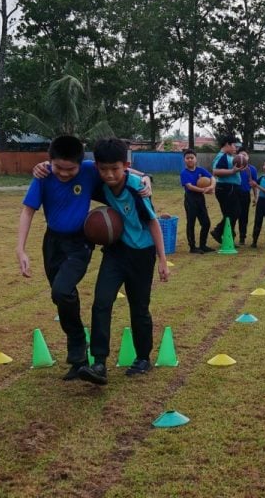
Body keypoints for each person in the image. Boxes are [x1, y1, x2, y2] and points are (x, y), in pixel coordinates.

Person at [77, 138, 170, 384]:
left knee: (138, 308)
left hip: (142, 254)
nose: (109, 175)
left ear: (125, 166)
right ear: (97, 166)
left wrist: (162, 259)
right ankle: (98, 363)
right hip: (115, 252)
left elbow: (152, 222)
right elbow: (70, 163)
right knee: (101, 302)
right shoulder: (99, 181)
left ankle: (142, 358)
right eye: (103, 169)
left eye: (115, 169)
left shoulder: (137, 187)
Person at [16, 135, 100, 382]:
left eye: (70, 169)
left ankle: (78, 349)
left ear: (80, 163)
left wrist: (145, 178)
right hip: (52, 243)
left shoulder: (88, 170)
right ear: (49, 160)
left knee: (62, 292)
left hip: (80, 243)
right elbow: (28, 210)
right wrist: (20, 249)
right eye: (58, 168)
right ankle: (79, 361)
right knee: (61, 296)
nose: (63, 174)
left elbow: (121, 169)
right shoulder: (43, 176)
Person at [210, 135, 244, 244]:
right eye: (234, 145)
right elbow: (216, 171)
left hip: (232, 188)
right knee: (233, 213)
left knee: (233, 213)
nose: (235, 147)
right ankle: (218, 231)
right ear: (227, 144)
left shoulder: (229, 156)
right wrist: (232, 172)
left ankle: (228, 237)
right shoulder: (222, 156)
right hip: (226, 188)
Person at [180, 149, 215, 254]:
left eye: (192, 158)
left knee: (206, 223)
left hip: (200, 198)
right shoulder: (184, 173)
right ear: (184, 160)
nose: (190, 160)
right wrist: (205, 190)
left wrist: (212, 186)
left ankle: (203, 245)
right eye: (187, 158)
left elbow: (212, 177)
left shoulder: (201, 170)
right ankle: (192, 247)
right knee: (191, 222)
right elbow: (189, 186)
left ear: (196, 159)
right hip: (190, 199)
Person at [235, 149, 256, 246]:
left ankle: (242, 237)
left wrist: (255, 197)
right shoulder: (233, 168)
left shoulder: (251, 169)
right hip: (234, 194)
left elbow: (254, 184)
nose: (243, 157)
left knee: (244, 216)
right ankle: (230, 235)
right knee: (233, 215)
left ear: (248, 157)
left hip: (245, 194)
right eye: (240, 155)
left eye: (245, 155)